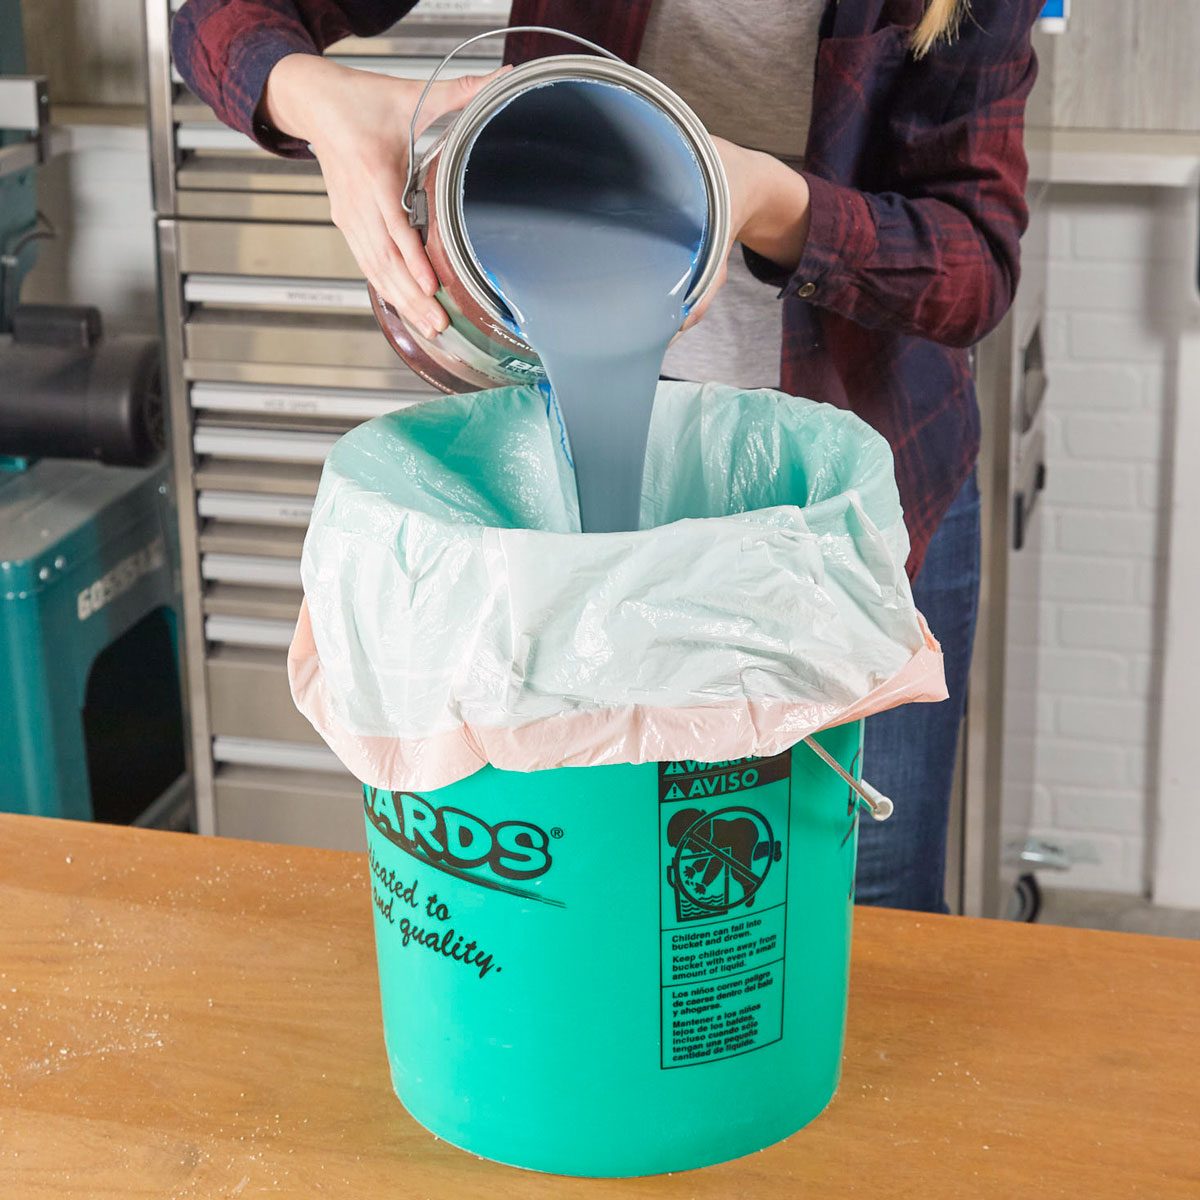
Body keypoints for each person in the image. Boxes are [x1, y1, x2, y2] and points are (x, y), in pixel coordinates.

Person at [172, 0, 1043, 914]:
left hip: (853, 527)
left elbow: (974, 259)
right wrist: (323, 106)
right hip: (566, 519)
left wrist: (767, 199)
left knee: (863, 893)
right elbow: (218, 19)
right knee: (595, 894)